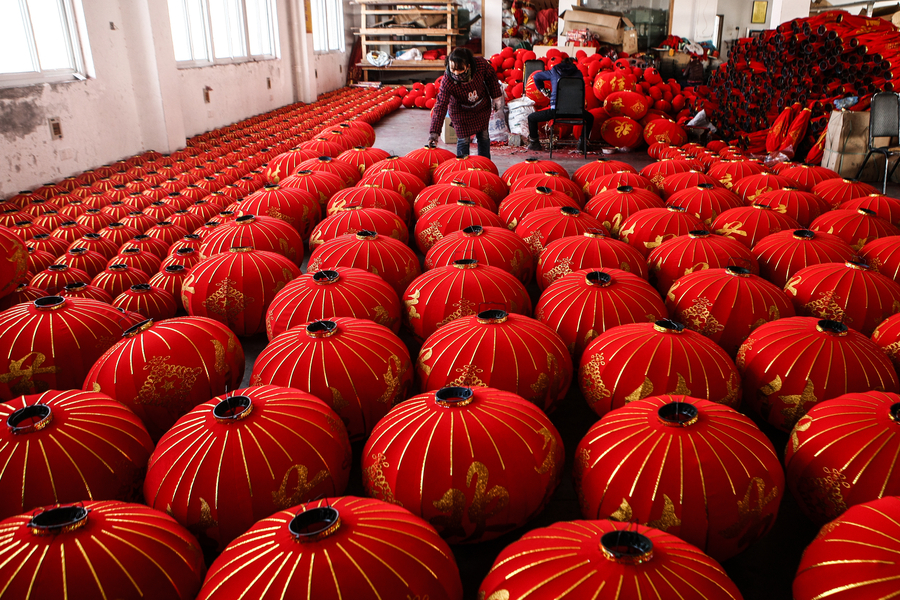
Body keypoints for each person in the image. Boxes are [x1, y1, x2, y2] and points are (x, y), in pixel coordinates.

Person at [427, 47, 503, 159]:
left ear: (468, 66)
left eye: (460, 69)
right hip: (460, 111)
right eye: (453, 69)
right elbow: (441, 105)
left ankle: (485, 164)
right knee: (463, 139)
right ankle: (463, 169)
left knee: (484, 136)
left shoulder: (480, 65)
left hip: (481, 107)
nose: (456, 74)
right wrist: (434, 132)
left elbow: (491, 76)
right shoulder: (447, 81)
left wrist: (496, 97)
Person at [527, 57, 594, 152]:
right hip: (577, 111)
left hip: (556, 111)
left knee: (531, 118)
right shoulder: (579, 74)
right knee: (590, 117)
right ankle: (582, 143)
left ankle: (534, 143)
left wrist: (544, 90)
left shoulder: (554, 71)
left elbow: (536, 77)